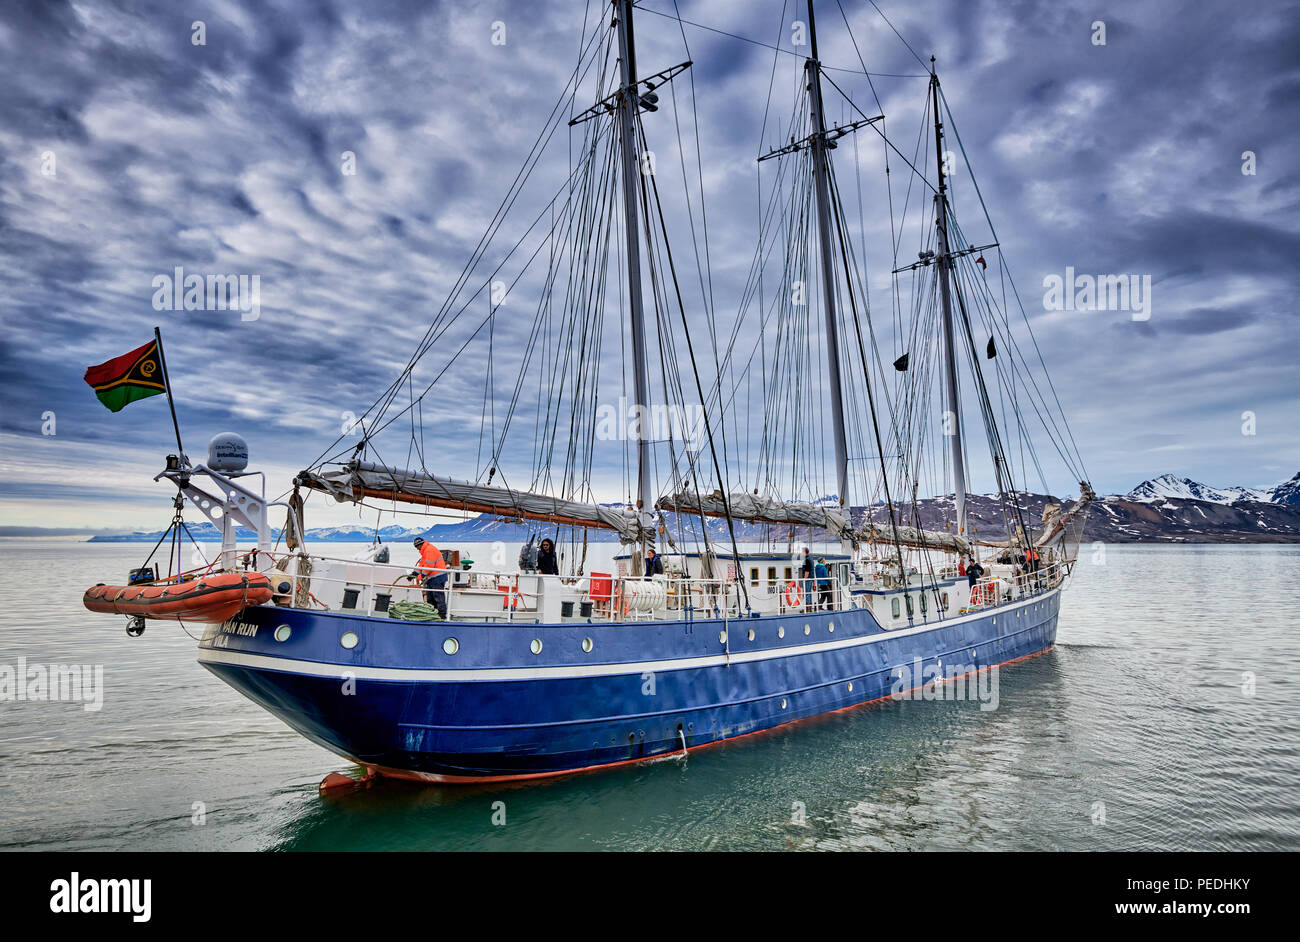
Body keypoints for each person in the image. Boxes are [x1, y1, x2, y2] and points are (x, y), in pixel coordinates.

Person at [412, 537, 449, 618]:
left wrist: (422, 575)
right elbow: (422, 564)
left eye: (416, 547)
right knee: (430, 599)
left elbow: (429, 565)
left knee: (438, 598)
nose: (417, 549)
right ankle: (432, 614)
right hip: (432, 578)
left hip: (438, 578)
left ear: (420, 545)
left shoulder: (429, 550)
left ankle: (442, 616)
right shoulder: (425, 551)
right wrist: (414, 573)